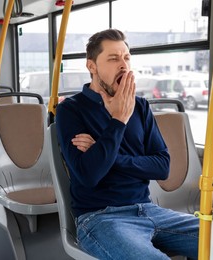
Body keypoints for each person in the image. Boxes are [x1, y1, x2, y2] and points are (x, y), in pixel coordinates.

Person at [55, 28, 199, 259]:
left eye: (126, 57)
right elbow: (89, 175)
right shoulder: (71, 110)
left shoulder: (140, 106)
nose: (123, 65)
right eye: (113, 58)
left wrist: (106, 155)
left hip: (150, 210)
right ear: (91, 66)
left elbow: (162, 167)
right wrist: (118, 120)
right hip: (101, 217)